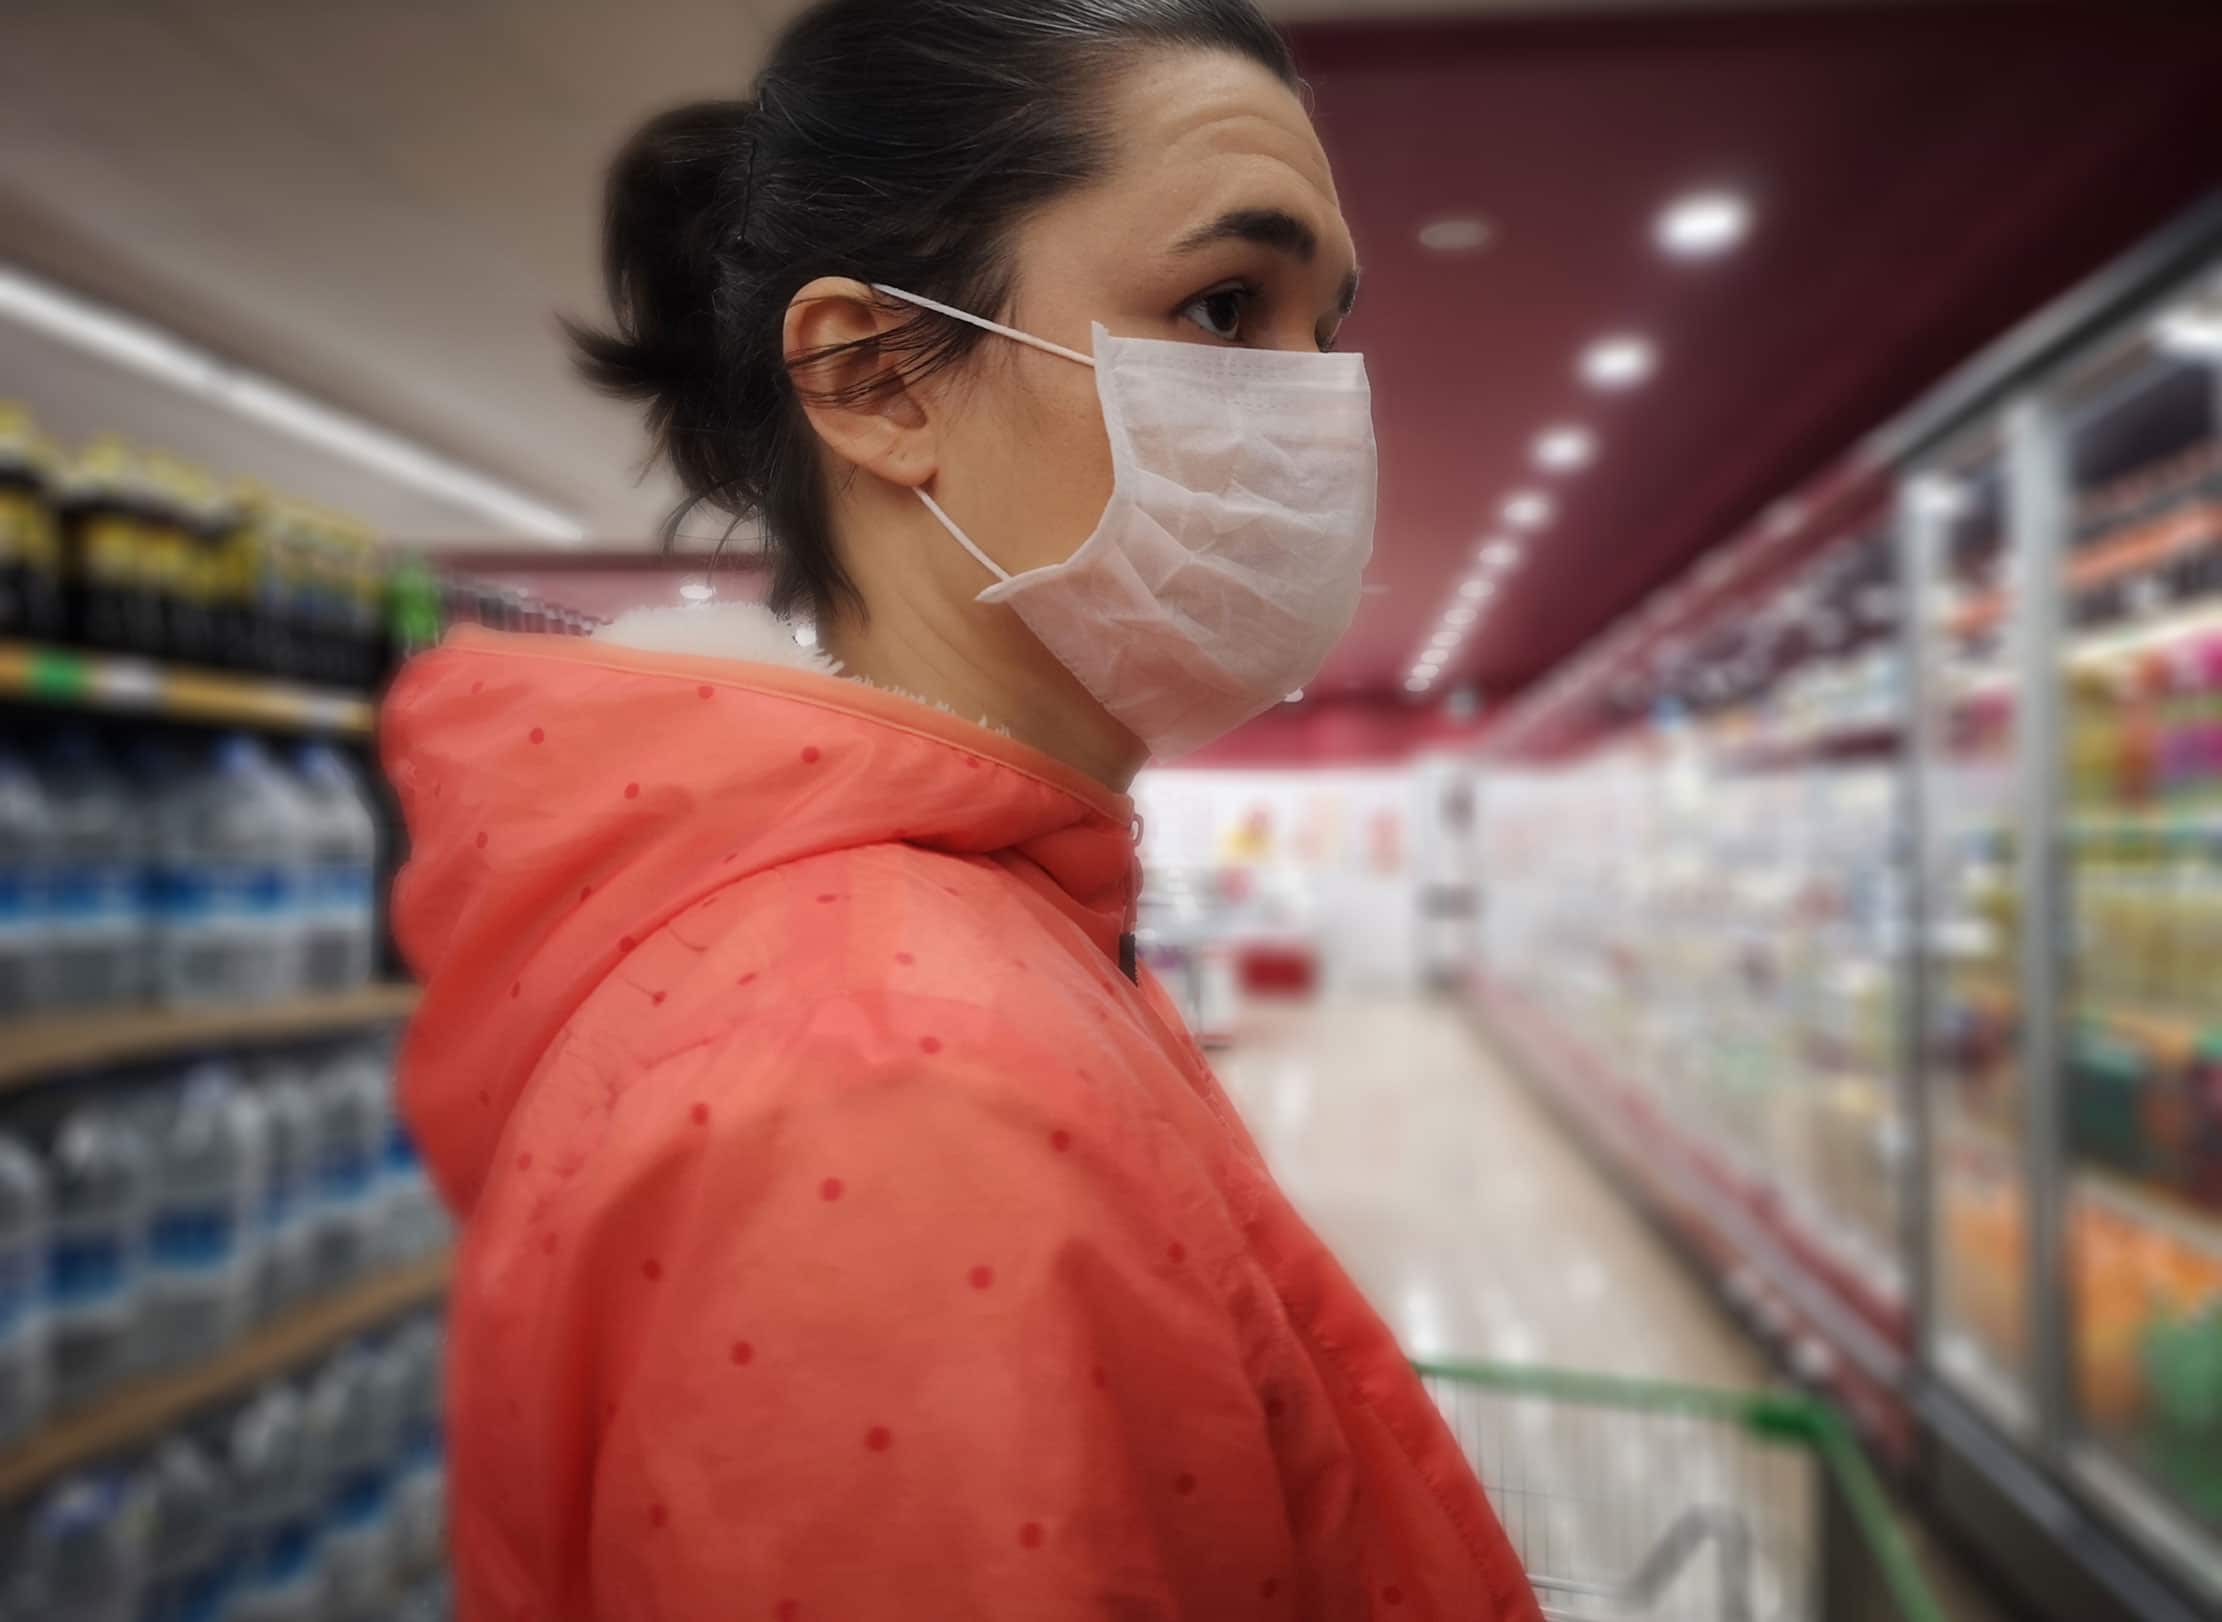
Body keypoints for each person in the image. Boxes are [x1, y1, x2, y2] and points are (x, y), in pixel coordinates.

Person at [383, 1, 1540, 1616]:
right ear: (873, 380)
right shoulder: (895, 1077)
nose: (1315, 413)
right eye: (1223, 306)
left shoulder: (952, 922)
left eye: (1321, 329)